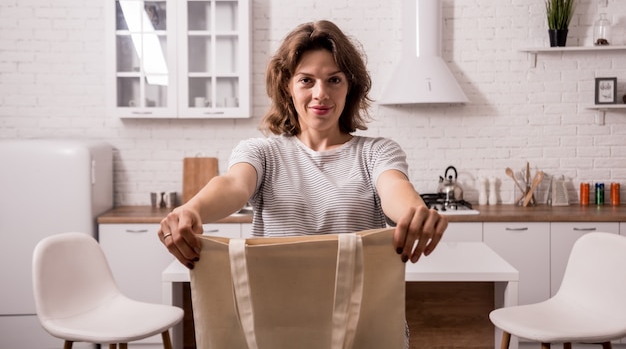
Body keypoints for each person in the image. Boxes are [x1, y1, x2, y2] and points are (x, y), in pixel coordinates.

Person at [159, 19, 447, 270]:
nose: (320, 94)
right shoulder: (262, 153)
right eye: (306, 80)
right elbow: (234, 185)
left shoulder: (377, 153)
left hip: (360, 319)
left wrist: (414, 213)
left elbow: (395, 188)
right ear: (288, 86)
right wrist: (192, 210)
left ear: (350, 87)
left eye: (334, 80)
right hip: (279, 320)